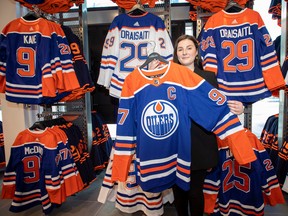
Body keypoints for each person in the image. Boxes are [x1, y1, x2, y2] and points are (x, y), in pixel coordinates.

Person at [171, 34, 244, 216]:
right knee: (178, 191)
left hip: (200, 141)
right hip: (175, 142)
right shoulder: (167, 77)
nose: (184, 52)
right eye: (180, 49)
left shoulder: (209, 77)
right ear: (176, 53)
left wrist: (239, 109)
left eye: (189, 48)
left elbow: (218, 106)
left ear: (196, 52)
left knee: (195, 192)